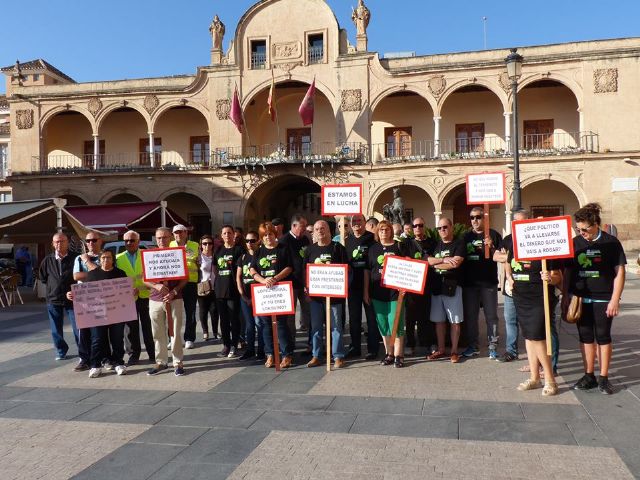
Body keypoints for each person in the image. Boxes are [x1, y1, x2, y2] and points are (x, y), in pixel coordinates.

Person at [564, 203, 626, 395]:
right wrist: (566, 295)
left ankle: (604, 378)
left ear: (596, 224)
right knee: (585, 337)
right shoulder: (575, 243)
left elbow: (620, 271)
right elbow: (566, 271)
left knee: (603, 336)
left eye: (585, 229)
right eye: (578, 229)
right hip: (581, 298)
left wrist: (615, 299)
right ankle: (589, 375)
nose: (581, 232)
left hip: (603, 298)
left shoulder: (611, 243)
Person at [505, 237, 562, 396]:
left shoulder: (546, 249)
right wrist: (509, 279)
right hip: (520, 297)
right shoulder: (514, 245)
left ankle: (550, 380)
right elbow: (507, 264)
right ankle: (535, 378)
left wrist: (550, 278)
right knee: (529, 336)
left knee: (538, 337)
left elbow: (558, 277)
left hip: (540, 298)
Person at [364, 220, 419, 368]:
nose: (384, 232)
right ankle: (389, 353)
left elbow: (408, 265)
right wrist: (366, 292)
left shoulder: (398, 247)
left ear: (391, 231)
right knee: (383, 325)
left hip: (396, 293)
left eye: (386, 229)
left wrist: (406, 285)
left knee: (396, 323)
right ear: (377, 232)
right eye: (381, 230)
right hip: (377, 293)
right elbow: (368, 272)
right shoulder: (372, 249)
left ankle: (399, 355)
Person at [69, 250, 130, 378]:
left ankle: (118, 363)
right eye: (103, 258)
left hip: (116, 313)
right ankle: (95, 365)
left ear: (113, 259)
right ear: (100, 260)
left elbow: (125, 292)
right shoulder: (92, 275)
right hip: (97, 313)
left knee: (117, 339)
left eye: (108, 257)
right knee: (97, 339)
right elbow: (84, 293)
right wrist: (72, 295)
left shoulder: (120, 273)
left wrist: (131, 291)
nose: (105, 260)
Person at [303, 220, 348, 368]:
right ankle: (316, 355)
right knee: (316, 328)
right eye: (317, 229)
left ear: (329, 231)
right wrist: (306, 289)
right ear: (314, 232)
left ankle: (338, 356)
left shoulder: (338, 248)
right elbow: (305, 272)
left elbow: (346, 270)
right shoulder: (309, 250)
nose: (320, 231)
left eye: (323, 228)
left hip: (334, 297)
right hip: (316, 298)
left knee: (336, 328)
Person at [145, 227, 188, 376]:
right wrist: (155, 285)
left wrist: (174, 292)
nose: (162, 240)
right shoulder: (149, 255)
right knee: (157, 332)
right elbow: (145, 278)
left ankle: (178, 362)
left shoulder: (178, 254)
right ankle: (161, 361)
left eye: (164, 237)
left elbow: (185, 278)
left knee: (175, 331)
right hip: (155, 299)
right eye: (159, 238)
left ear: (170, 238)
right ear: (155, 239)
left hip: (174, 298)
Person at [462, 206, 502, 359]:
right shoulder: (466, 237)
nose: (475, 220)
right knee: (471, 316)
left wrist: (491, 246)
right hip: (470, 284)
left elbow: (501, 256)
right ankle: (473, 346)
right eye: (472, 217)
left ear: (484, 218)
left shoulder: (493, 234)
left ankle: (493, 346)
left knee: (491, 316)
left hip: (489, 283)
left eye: (478, 217)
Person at [251, 223, 293, 368]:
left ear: (275, 234)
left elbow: (289, 267)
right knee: (266, 325)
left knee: (281, 324)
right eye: (265, 235)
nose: (268, 237)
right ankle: (270, 355)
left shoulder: (283, 249)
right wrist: (263, 280)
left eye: (270, 234)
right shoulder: (258, 252)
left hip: (280, 291)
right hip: (264, 293)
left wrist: (275, 278)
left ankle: (286, 355)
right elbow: (252, 270)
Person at [427, 218, 465, 363]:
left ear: (451, 227)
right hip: (437, 287)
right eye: (439, 228)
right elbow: (428, 260)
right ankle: (442, 349)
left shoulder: (459, 243)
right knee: (439, 321)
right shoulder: (436, 244)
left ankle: (454, 351)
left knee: (455, 320)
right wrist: (443, 260)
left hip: (452, 286)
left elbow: (455, 264)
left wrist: (436, 265)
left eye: (445, 227)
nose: (442, 230)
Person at [116, 230, 155, 366]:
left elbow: (153, 276)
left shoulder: (147, 255)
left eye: (132, 240)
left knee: (148, 327)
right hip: (128, 299)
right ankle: (133, 355)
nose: (129, 243)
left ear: (138, 242)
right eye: (126, 241)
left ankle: (153, 353)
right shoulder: (118, 258)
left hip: (146, 296)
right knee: (130, 329)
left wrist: (142, 288)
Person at [493, 210, 528, 363]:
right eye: (516, 221)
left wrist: (509, 257)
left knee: (528, 322)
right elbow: (496, 256)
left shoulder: (532, 238)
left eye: (521, 221)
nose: (518, 224)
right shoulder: (508, 239)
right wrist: (511, 256)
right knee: (510, 320)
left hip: (529, 288)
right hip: (511, 287)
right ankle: (511, 351)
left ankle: (534, 355)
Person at [39, 232, 80, 361]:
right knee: (55, 329)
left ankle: (83, 351)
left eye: (62, 241)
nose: (59, 244)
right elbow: (43, 277)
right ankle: (61, 350)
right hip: (53, 298)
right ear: (52, 244)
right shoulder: (48, 259)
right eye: (56, 241)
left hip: (72, 298)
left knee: (78, 327)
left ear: (67, 243)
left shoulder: (76, 258)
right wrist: (54, 287)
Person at [345, 213, 379, 359]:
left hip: (370, 285)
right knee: (354, 318)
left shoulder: (372, 239)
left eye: (359, 220)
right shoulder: (346, 240)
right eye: (354, 221)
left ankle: (373, 349)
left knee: (371, 319)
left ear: (365, 222)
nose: (356, 223)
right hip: (353, 286)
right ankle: (355, 347)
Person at [71, 233, 102, 372]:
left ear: (100, 241)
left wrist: (88, 265)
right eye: (88, 240)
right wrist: (97, 273)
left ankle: (102, 357)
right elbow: (77, 276)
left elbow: (106, 276)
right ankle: (84, 359)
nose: (90, 242)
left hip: (103, 299)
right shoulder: (78, 258)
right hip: (84, 300)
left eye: (94, 240)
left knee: (101, 332)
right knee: (83, 332)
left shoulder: (106, 256)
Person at [405, 217, 436, 356]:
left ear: (424, 227)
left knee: (426, 316)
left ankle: (427, 343)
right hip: (412, 286)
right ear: (412, 228)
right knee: (410, 317)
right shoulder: (407, 244)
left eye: (420, 225)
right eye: (415, 226)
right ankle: (410, 343)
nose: (418, 228)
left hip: (428, 284)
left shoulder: (432, 243)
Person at [279, 214, 311, 348]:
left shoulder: (305, 239)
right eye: (302, 227)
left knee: (308, 312)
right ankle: (290, 344)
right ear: (293, 226)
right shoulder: (284, 241)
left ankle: (311, 342)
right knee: (290, 317)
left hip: (304, 284)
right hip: (290, 284)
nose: (304, 230)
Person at [214, 225, 244, 357]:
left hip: (233, 290)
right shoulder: (218, 250)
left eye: (229, 233)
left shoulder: (238, 250)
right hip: (220, 290)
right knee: (224, 319)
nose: (227, 235)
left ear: (234, 235)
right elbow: (215, 268)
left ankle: (234, 343)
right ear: (221, 235)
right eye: (225, 233)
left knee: (234, 319)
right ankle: (226, 344)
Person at [170, 225, 199, 350]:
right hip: (174, 282)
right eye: (176, 233)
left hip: (190, 282)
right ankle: (173, 338)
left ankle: (189, 338)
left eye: (181, 232)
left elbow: (201, 261)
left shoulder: (195, 245)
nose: (179, 235)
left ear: (186, 233)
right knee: (172, 313)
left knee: (190, 311)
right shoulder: (169, 245)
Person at [236, 231, 264, 360]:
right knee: (249, 325)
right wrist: (243, 296)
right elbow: (238, 277)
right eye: (247, 241)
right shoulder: (243, 257)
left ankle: (262, 350)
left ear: (258, 241)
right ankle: (250, 349)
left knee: (260, 323)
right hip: (246, 297)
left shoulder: (261, 256)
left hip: (259, 297)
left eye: (252, 241)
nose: (249, 243)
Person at [197, 234, 219, 342]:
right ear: (201, 245)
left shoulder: (216, 255)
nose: (207, 245)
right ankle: (205, 332)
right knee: (203, 311)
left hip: (215, 286)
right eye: (204, 243)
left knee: (214, 310)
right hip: (203, 286)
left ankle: (215, 332)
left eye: (209, 243)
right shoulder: (199, 257)